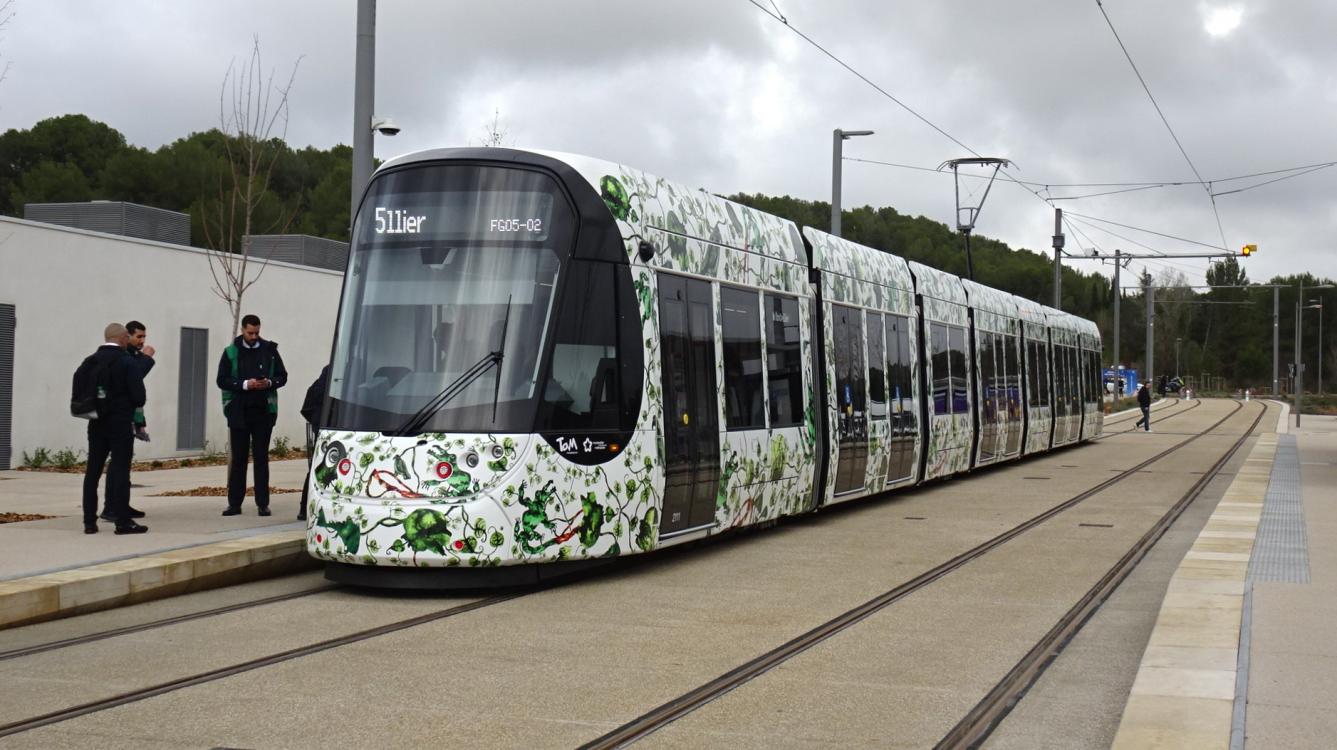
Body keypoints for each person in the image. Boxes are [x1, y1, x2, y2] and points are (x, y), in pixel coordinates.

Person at [216, 314, 288, 516]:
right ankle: (234, 503)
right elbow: (221, 380)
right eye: (250, 333)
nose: (254, 336)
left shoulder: (269, 350)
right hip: (238, 411)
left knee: (261, 458)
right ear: (242, 330)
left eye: (257, 333)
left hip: (263, 411)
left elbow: (282, 376)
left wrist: (270, 383)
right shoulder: (231, 352)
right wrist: (245, 384)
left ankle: (262, 503)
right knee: (238, 459)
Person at [82, 323, 149, 534]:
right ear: (122, 338)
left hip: (96, 422)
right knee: (120, 470)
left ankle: (89, 522)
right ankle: (122, 521)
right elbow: (139, 397)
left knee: (93, 471)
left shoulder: (90, 360)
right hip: (120, 423)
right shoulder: (127, 362)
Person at [99, 320, 155, 522]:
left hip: (128, 415)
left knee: (124, 462)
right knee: (118, 463)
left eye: (144, 337)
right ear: (126, 336)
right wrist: (147, 358)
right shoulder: (123, 356)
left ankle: (121, 504)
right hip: (118, 416)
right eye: (138, 336)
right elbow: (135, 376)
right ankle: (112, 507)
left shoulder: (132, 355)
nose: (142, 341)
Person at [298, 364, 330, 522]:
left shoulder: (330, 368)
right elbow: (319, 394)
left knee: (318, 467)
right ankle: (305, 507)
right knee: (318, 467)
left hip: (327, 423)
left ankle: (305, 508)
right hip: (327, 424)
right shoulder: (332, 370)